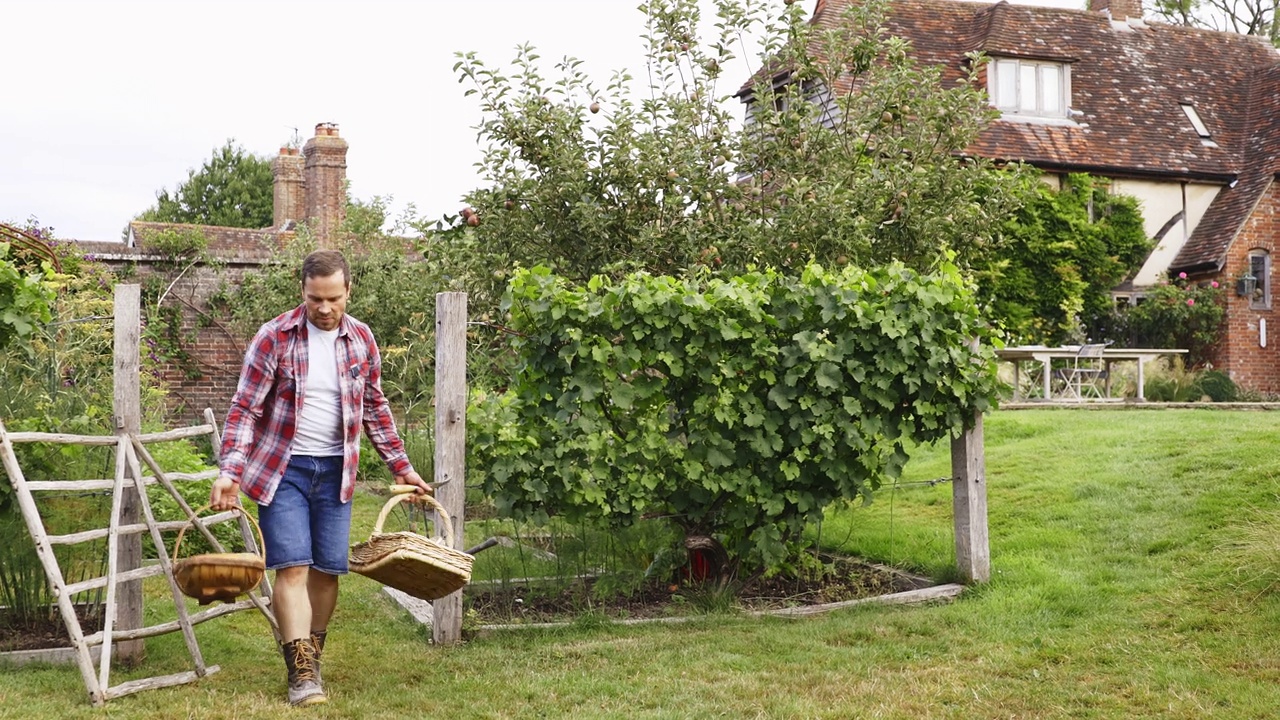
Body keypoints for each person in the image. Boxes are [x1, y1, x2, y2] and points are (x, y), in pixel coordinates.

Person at [210, 249, 430, 707]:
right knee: (292, 567)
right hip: (283, 468)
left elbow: (375, 407)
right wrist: (230, 471)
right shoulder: (274, 337)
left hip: (337, 472)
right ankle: (301, 672)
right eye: (315, 299)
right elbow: (245, 409)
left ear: (348, 290)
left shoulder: (362, 340)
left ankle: (311, 651)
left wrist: (402, 467)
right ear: (302, 292)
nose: (325, 309)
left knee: (329, 571)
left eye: (333, 298)